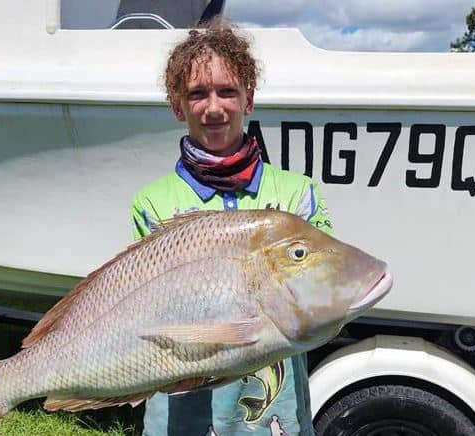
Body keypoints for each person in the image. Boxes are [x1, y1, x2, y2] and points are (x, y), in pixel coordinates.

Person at [130, 18, 333, 436]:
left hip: (274, 421)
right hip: (180, 419)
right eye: (197, 94)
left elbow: (322, 301)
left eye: (227, 91)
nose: (214, 106)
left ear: (249, 99)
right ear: (177, 105)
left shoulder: (299, 196)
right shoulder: (151, 204)